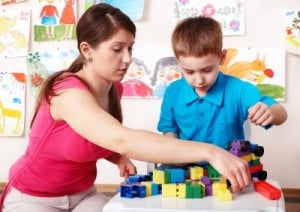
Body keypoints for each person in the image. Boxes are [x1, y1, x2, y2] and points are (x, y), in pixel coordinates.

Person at [1, 4, 252, 212]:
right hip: (33, 196)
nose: (128, 58)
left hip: (82, 194)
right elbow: (121, 138)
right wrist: (211, 152)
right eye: (117, 49)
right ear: (86, 50)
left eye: (130, 47)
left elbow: (93, 136)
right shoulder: (65, 92)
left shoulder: (113, 89)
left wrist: (115, 155)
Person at [157, 16, 288, 169]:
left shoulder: (239, 90)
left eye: (207, 70)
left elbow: (281, 114)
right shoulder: (173, 92)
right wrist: (177, 156)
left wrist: (270, 112)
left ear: (222, 58)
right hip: (184, 165)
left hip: (228, 165)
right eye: (189, 72)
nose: (199, 80)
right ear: (178, 62)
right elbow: (169, 132)